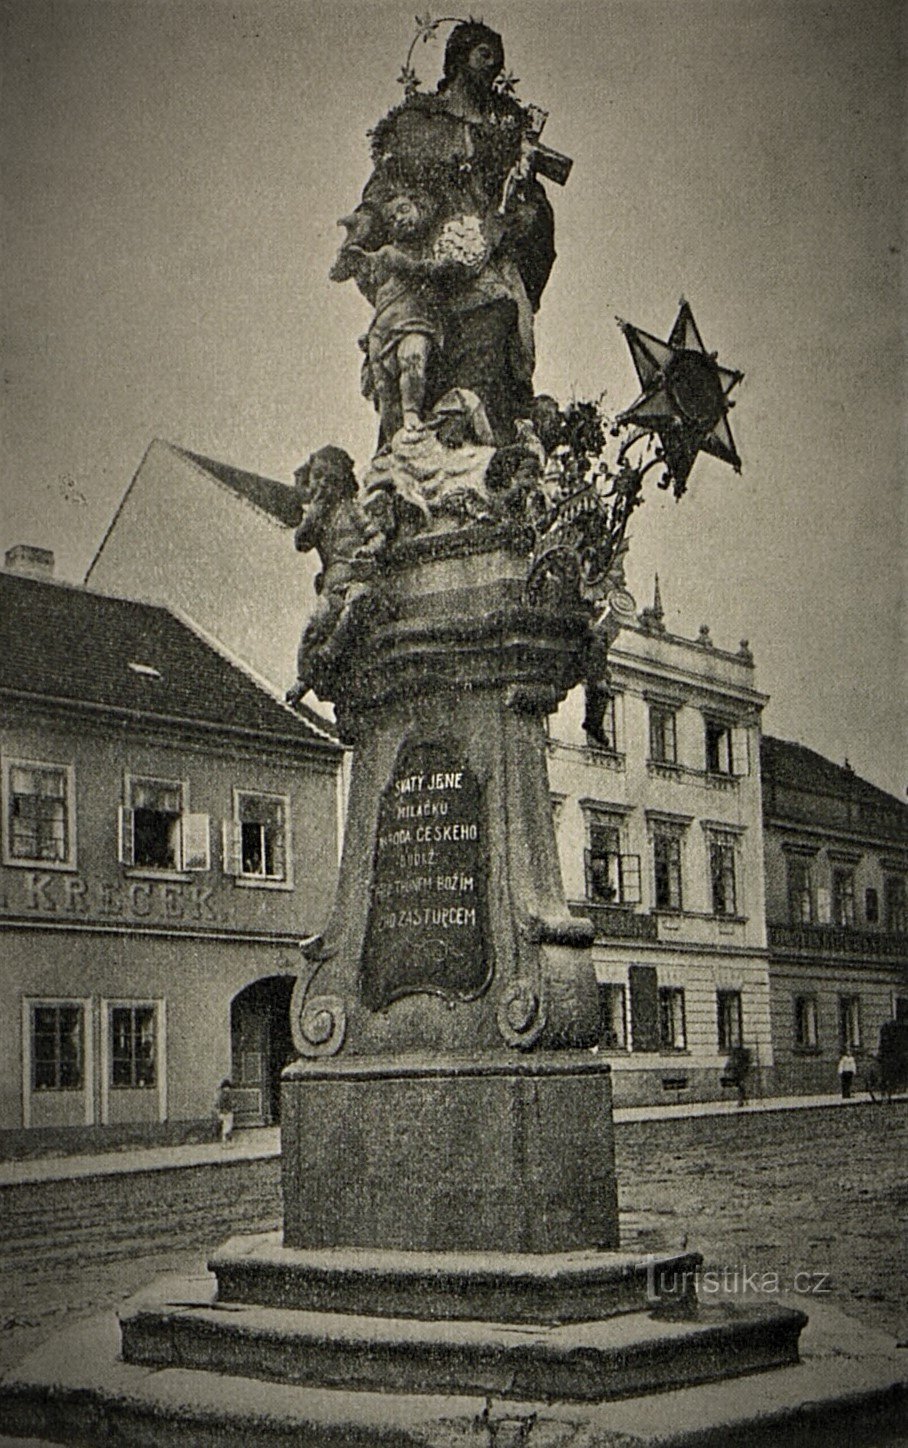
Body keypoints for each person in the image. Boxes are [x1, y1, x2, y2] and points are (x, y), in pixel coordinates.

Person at [335, 21, 561, 443]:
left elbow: (526, 200)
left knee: (497, 324)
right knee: (411, 354)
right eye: (485, 56)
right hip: (424, 261)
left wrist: (521, 216)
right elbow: (386, 187)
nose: (494, 70)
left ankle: (473, 452)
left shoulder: (503, 131)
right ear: (458, 58)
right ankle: (412, 452)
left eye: (499, 63)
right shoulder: (419, 121)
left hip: (483, 261)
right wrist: (365, 226)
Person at [216, 1078, 234, 1144]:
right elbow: (223, 1104)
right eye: (227, 1087)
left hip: (224, 1112)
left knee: (226, 1126)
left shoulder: (222, 1095)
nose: (228, 1089)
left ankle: (225, 1140)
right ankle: (226, 1140)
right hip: (226, 1113)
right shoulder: (225, 1095)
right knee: (227, 1126)